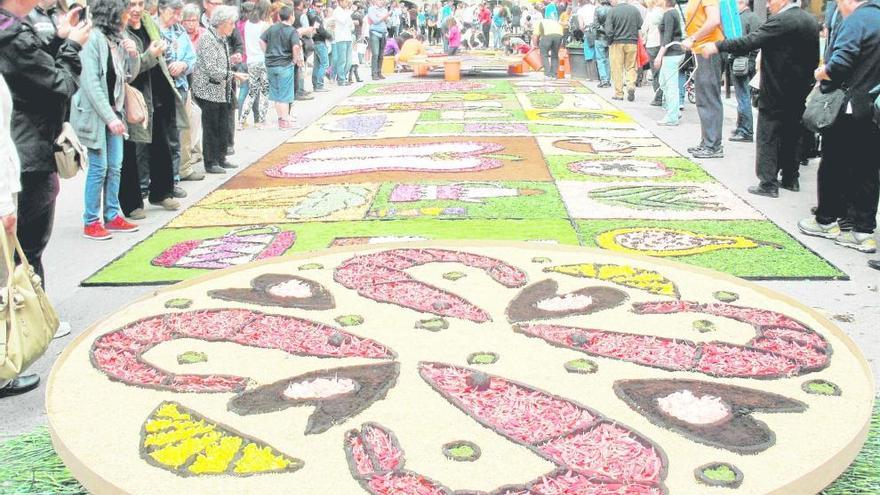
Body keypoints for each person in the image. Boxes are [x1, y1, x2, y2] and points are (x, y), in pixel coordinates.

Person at [0, 0, 89, 398]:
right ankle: (22, 333)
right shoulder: (13, 34)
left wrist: (59, 38)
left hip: (26, 151)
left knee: (20, 256)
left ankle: (29, 323)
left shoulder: (14, 31)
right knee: (22, 255)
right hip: (27, 155)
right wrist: (71, 47)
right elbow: (58, 84)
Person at [703, 0, 818, 197]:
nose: (767, 4)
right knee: (792, 133)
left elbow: (748, 42)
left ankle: (768, 183)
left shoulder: (781, 20)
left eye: (771, 0)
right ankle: (791, 178)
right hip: (799, 88)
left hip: (776, 88)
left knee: (768, 135)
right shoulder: (810, 20)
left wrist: (717, 45)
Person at [798, 0, 880, 253]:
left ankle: (825, 221)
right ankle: (863, 232)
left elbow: (840, 64)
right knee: (867, 169)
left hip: (847, 107)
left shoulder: (857, 20)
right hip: (872, 107)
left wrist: (820, 73)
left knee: (833, 163)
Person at [72, 0, 142, 240]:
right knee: (99, 168)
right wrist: (110, 117)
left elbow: (129, 75)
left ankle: (113, 215)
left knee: (115, 166)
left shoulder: (115, 40)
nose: (128, 16)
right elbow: (90, 83)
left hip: (115, 111)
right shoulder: (92, 39)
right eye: (123, 12)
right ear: (112, 13)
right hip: (96, 114)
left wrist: (133, 55)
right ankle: (91, 220)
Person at [120, 0, 183, 219]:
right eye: (131, 4)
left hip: (158, 92)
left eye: (140, 3)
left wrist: (162, 52)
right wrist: (150, 55)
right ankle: (132, 203)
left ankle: (161, 192)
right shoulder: (122, 30)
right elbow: (128, 70)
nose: (136, 9)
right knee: (131, 151)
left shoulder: (148, 21)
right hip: (134, 97)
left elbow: (160, 53)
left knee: (161, 144)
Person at [194, 5, 248, 174]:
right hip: (208, 90)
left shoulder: (221, 38)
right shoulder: (207, 39)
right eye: (231, 23)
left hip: (221, 90)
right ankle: (211, 161)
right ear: (222, 23)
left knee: (223, 125)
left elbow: (219, 64)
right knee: (211, 127)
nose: (233, 27)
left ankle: (221, 157)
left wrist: (231, 61)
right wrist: (234, 75)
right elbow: (211, 69)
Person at [156, 0, 197, 192]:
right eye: (174, 12)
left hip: (179, 86)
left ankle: (173, 180)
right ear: (162, 10)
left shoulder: (180, 32)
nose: (177, 17)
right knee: (159, 137)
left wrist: (183, 65)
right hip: (159, 89)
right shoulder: (153, 29)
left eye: (179, 13)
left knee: (175, 134)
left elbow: (192, 58)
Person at [681, 0, 724, 158]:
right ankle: (707, 142)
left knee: (709, 97)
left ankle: (713, 145)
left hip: (709, 48)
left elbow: (714, 20)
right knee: (703, 97)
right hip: (701, 49)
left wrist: (693, 38)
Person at [262, 4, 303, 128]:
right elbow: (296, 46)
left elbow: (261, 40)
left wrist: (267, 53)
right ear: (291, 17)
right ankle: (285, 121)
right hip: (285, 64)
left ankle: (281, 119)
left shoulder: (272, 28)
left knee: (276, 94)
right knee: (285, 95)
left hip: (271, 64)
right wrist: (294, 60)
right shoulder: (292, 31)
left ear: (279, 16)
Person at [727, 0, 761, 143]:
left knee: (742, 97)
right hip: (752, 59)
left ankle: (745, 130)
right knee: (745, 96)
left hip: (740, 61)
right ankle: (742, 127)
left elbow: (738, 42)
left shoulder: (740, 19)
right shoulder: (756, 18)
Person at [652, 0, 683, 125]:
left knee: (670, 85)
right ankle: (674, 110)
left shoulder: (669, 14)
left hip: (671, 53)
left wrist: (659, 55)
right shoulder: (674, 13)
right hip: (673, 52)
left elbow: (667, 37)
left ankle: (672, 116)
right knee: (664, 82)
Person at [240, 0, 270, 127]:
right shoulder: (264, 25)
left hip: (250, 61)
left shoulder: (246, 24)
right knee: (264, 91)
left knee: (252, 92)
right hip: (262, 60)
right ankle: (261, 121)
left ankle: (242, 119)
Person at [605, 0, 641, 101]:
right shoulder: (634, 10)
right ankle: (630, 86)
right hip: (632, 42)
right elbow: (639, 25)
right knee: (631, 66)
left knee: (617, 68)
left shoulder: (613, 11)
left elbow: (608, 30)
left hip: (616, 42)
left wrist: (610, 41)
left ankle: (619, 93)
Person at [640, 0, 662, 104]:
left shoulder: (651, 14)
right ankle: (665, 94)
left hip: (652, 44)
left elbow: (644, 29)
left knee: (655, 72)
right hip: (663, 45)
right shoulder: (665, 12)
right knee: (664, 71)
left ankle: (658, 96)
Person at [533, 7, 563, 78]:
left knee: (544, 54)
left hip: (548, 36)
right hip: (559, 35)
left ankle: (547, 73)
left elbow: (535, 35)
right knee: (555, 55)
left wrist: (535, 45)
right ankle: (554, 74)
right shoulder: (554, 22)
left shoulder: (540, 22)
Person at [331, 0, 353, 85]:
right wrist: (349, 10)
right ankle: (341, 79)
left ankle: (343, 77)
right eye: (345, 1)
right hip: (340, 38)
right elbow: (343, 20)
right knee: (342, 60)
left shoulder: (346, 11)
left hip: (348, 37)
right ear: (340, 2)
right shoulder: (337, 11)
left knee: (349, 61)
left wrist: (348, 11)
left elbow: (351, 24)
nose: (347, 2)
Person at [368, 0, 390, 80]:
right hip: (374, 33)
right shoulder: (371, 9)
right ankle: (374, 74)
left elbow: (389, 22)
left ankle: (379, 72)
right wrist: (384, 17)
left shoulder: (385, 10)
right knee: (375, 54)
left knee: (381, 55)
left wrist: (386, 18)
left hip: (384, 33)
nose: (381, 1)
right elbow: (375, 21)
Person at [592, 0, 610, 86]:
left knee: (600, 59)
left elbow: (596, 24)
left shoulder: (597, 9)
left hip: (599, 37)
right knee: (607, 59)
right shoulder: (612, 9)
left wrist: (603, 30)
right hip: (610, 37)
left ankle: (604, 79)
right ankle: (608, 79)